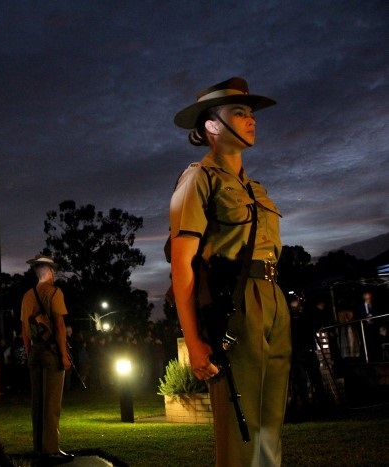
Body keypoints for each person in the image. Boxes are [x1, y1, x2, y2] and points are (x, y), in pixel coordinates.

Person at [168, 77, 291, 466]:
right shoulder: (197, 180)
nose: (251, 120)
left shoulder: (255, 188)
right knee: (242, 432)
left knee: (270, 428)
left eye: (251, 113)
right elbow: (182, 265)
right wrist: (195, 341)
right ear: (213, 125)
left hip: (272, 299)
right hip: (236, 309)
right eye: (239, 112)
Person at [21, 254, 74, 464]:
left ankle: (39, 447)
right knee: (51, 403)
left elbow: (24, 329)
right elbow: (60, 326)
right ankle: (51, 449)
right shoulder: (54, 292)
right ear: (50, 272)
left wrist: (28, 352)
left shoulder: (27, 296)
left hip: (34, 352)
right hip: (51, 352)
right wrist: (63, 354)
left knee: (38, 402)